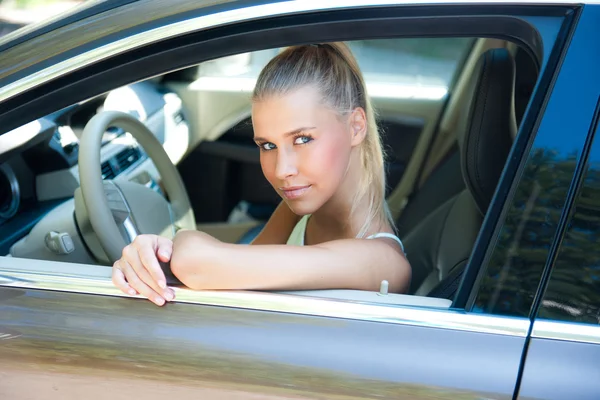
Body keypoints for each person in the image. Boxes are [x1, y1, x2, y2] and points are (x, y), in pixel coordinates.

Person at [112, 42, 412, 306]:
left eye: (303, 139)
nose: (282, 170)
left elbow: (198, 263)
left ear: (356, 127)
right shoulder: (299, 209)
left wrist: (181, 242)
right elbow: (231, 274)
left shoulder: (384, 263)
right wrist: (154, 254)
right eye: (267, 145)